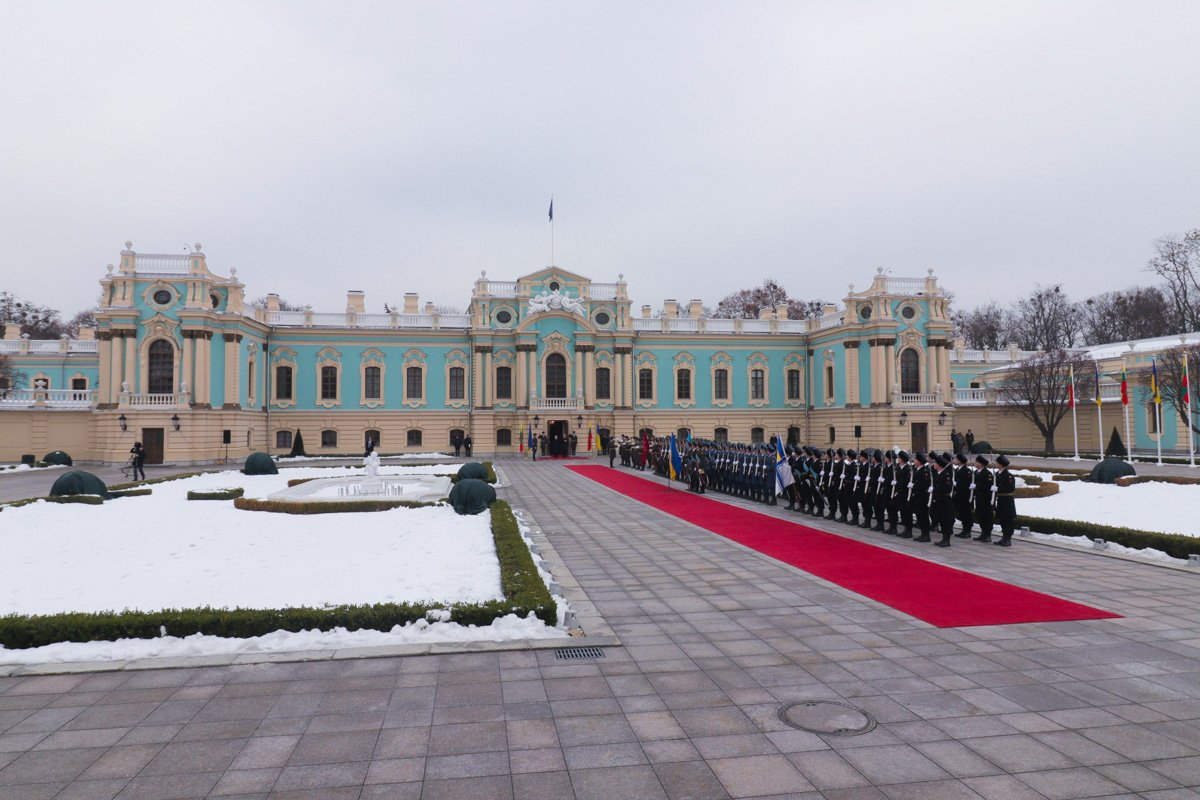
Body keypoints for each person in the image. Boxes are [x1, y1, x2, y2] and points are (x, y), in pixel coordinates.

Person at [994, 454, 1016, 547]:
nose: (996, 464)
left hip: (1007, 500)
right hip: (1000, 499)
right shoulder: (997, 474)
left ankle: (1008, 538)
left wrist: (998, 488)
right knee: (1002, 518)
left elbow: (1010, 488)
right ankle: (1004, 536)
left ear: (1001, 464)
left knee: (1007, 519)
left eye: (997, 462)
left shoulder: (1008, 475)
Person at [972, 455, 995, 542]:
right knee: (980, 515)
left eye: (976, 462)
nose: (975, 463)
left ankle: (988, 534)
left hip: (985, 499)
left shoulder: (987, 473)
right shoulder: (976, 472)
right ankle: (983, 533)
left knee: (986, 516)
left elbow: (988, 486)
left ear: (981, 464)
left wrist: (977, 486)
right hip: (978, 498)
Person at [952, 452, 973, 538]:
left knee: (966, 513)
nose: (955, 460)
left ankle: (967, 531)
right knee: (961, 513)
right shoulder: (957, 470)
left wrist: (957, 484)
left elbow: (966, 483)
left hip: (964, 495)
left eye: (956, 459)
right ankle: (964, 530)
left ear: (960, 461)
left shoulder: (967, 471)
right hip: (958, 495)